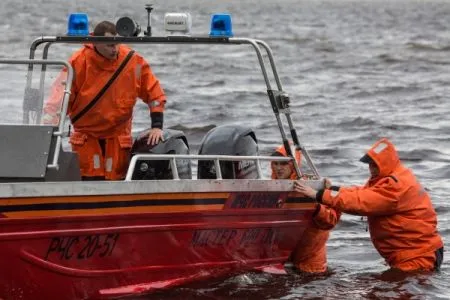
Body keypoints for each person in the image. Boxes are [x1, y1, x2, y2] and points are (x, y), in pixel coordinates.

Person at [294, 137, 444, 272]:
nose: (371, 168)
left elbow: (360, 202)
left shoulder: (395, 186)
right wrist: (332, 189)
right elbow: (360, 193)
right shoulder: (390, 178)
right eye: (370, 164)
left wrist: (319, 195)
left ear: (386, 162)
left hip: (417, 256)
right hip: (412, 254)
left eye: (374, 164)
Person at [43, 21, 166, 180]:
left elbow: (154, 93)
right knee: (88, 182)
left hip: (118, 139)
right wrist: (47, 133)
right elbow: (58, 101)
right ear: (95, 42)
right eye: (109, 45)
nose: (114, 49)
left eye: (116, 44)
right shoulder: (78, 63)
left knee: (118, 181)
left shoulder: (133, 61)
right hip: (86, 139)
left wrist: (157, 126)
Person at [271, 144, 341, 274]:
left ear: (293, 165)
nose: (279, 168)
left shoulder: (312, 185)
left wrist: (316, 207)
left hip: (311, 259)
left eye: (283, 164)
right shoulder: (268, 188)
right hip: (284, 257)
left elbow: (330, 220)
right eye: (275, 164)